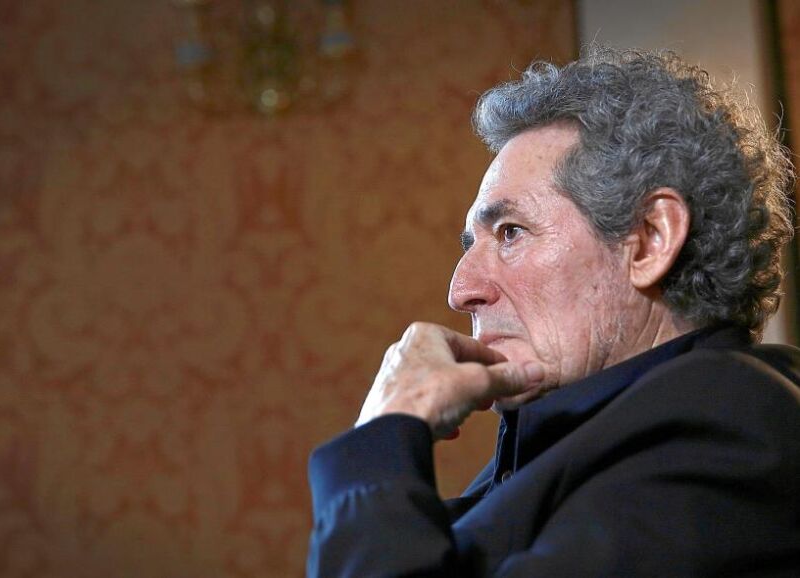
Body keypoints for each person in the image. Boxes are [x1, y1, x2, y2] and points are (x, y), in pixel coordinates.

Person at [307, 47, 800, 577]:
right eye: (471, 244)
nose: (461, 290)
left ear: (650, 239)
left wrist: (382, 438)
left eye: (510, 233)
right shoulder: (572, 447)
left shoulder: (729, 423)